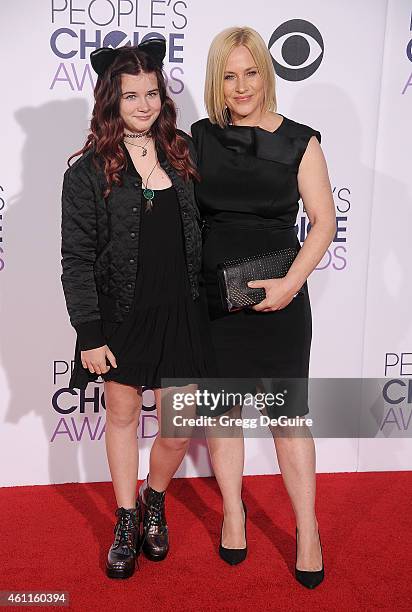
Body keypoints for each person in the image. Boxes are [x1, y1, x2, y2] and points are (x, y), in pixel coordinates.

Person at [61, 39, 215, 579]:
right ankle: (126, 519)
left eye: (152, 93)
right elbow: (76, 259)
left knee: (176, 430)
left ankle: (155, 499)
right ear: (111, 100)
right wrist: (89, 333)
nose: (144, 105)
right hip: (121, 315)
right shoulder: (86, 172)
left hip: (181, 311)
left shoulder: (183, 152)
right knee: (122, 418)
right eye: (131, 96)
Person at [191, 26, 336, 588]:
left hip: (281, 301)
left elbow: (323, 222)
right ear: (217, 81)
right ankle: (233, 510)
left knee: (288, 421)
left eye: (251, 72)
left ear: (267, 74)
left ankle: (307, 529)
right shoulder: (198, 139)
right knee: (223, 414)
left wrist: (290, 285)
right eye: (229, 75)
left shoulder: (301, 141)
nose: (242, 85)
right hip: (214, 301)